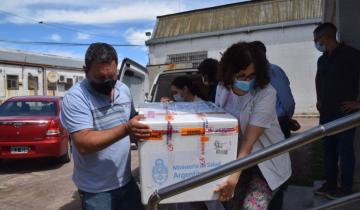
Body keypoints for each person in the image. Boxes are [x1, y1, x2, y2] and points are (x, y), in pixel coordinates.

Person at [60, 42, 151, 210]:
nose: (108, 83)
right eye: (101, 78)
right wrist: (126, 129)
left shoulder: (123, 89)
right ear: (86, 71)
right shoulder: (76, 98)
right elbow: (84, 144)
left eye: (112, 76)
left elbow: (132, 120)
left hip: (125, 180)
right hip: (96, 191)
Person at [214, 42, 292, 210]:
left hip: (266, 162)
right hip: (239, 161)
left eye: (252, 76)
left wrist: (233, 178)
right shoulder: (223, 88)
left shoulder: (266, 93)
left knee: (251, 208)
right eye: (241, 75)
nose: (247, 80)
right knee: (231, 205)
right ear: (229, 72)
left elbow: (249, 140)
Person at [313, 22, 360, 199]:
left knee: (345, 151)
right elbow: (319, 81)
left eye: (317, 40)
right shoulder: (322, 59)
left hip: (345, 114)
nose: (316, 44)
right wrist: (319, 101)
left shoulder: (351, 55)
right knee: (328, 151)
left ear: (325, 38)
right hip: (326, 114)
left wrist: (358, 104)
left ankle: (345, 188)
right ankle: (330, 184)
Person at [250, 41, 300, 138]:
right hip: (258, 125)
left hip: (278, 123)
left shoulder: (274, 71)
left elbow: (287, 101)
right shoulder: (251, 75)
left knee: (280, 151)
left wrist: (285, 118)